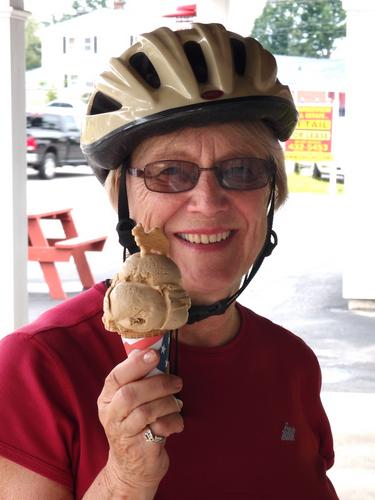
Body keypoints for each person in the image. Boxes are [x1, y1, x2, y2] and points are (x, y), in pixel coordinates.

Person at [0, 23, 338, 499]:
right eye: (170, 172)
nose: (207, 201)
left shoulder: (292, 363)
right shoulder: (37, 367)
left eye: (241, 171)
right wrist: (125, 478)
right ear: (123, 199)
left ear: (270, 194)